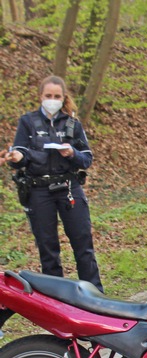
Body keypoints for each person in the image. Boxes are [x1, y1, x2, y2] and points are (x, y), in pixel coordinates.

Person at [0, 75, 103, 292]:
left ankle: (96, 297)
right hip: (38, 191)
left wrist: (72, 153)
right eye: (48, 96)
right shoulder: (27, 122)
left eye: (57, 96)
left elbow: (87, 158)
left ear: (63, 97)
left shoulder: (72, 124)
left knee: (83, 244)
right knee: (48, 248)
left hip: (68, 188)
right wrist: (17, 158)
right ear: (40, 97)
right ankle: (57, 298)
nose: (52, 100)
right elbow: (21, 154)